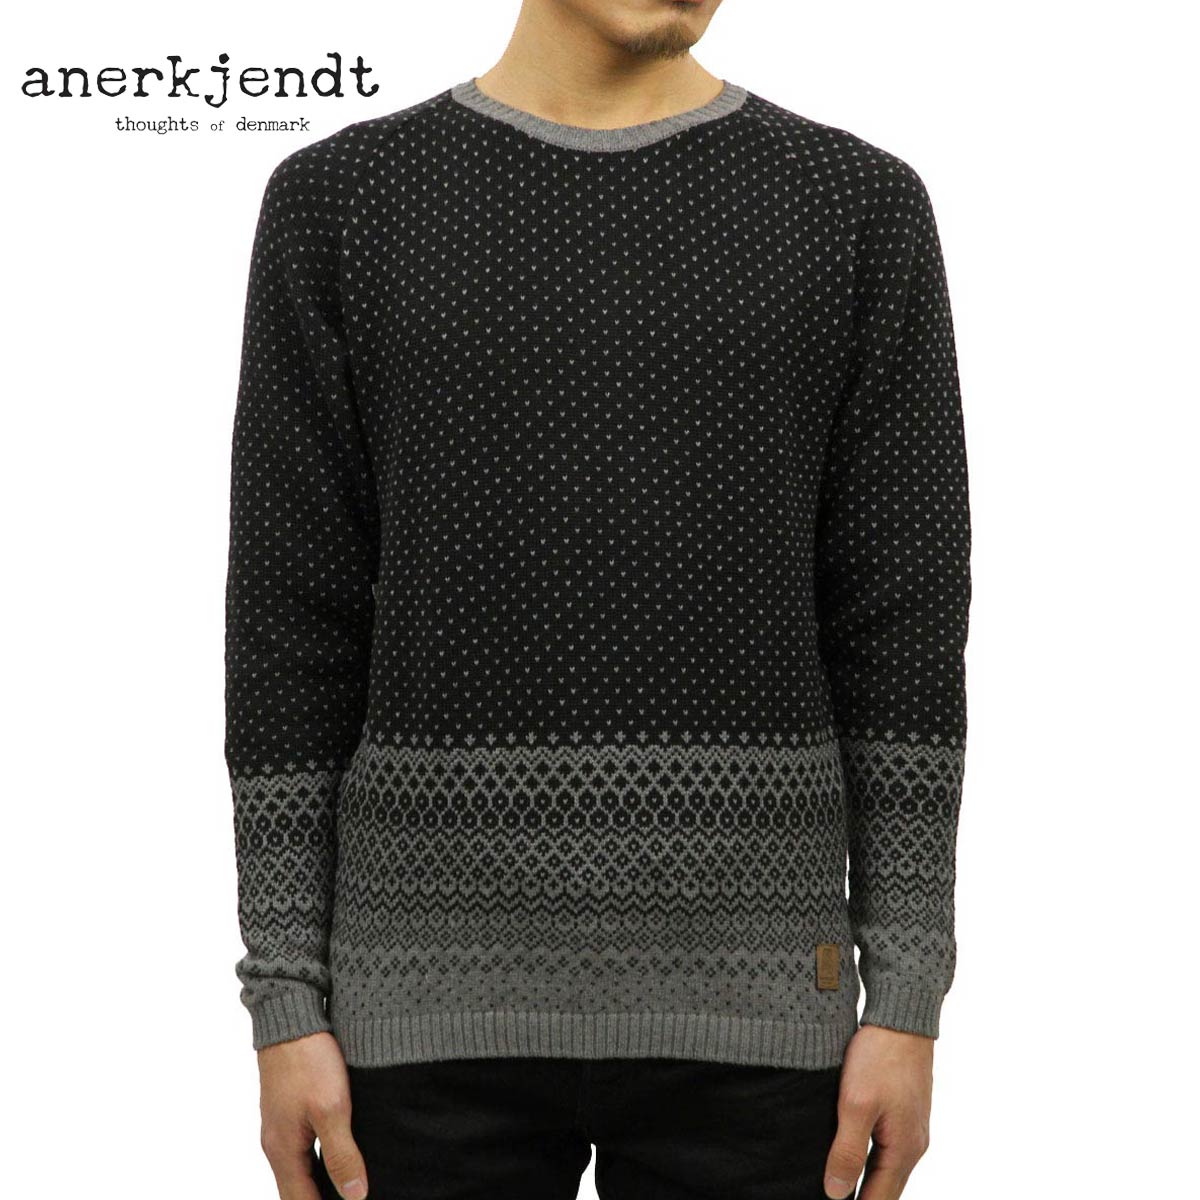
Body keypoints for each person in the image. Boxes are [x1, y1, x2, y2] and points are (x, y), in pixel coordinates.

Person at [223, 1, 972, 1197]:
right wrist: (283, 998)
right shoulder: (342, 203)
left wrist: (910, 994)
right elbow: (290, 621)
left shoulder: (855, 208)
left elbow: (902, 627)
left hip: (767, 1016)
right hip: (413, 1013)